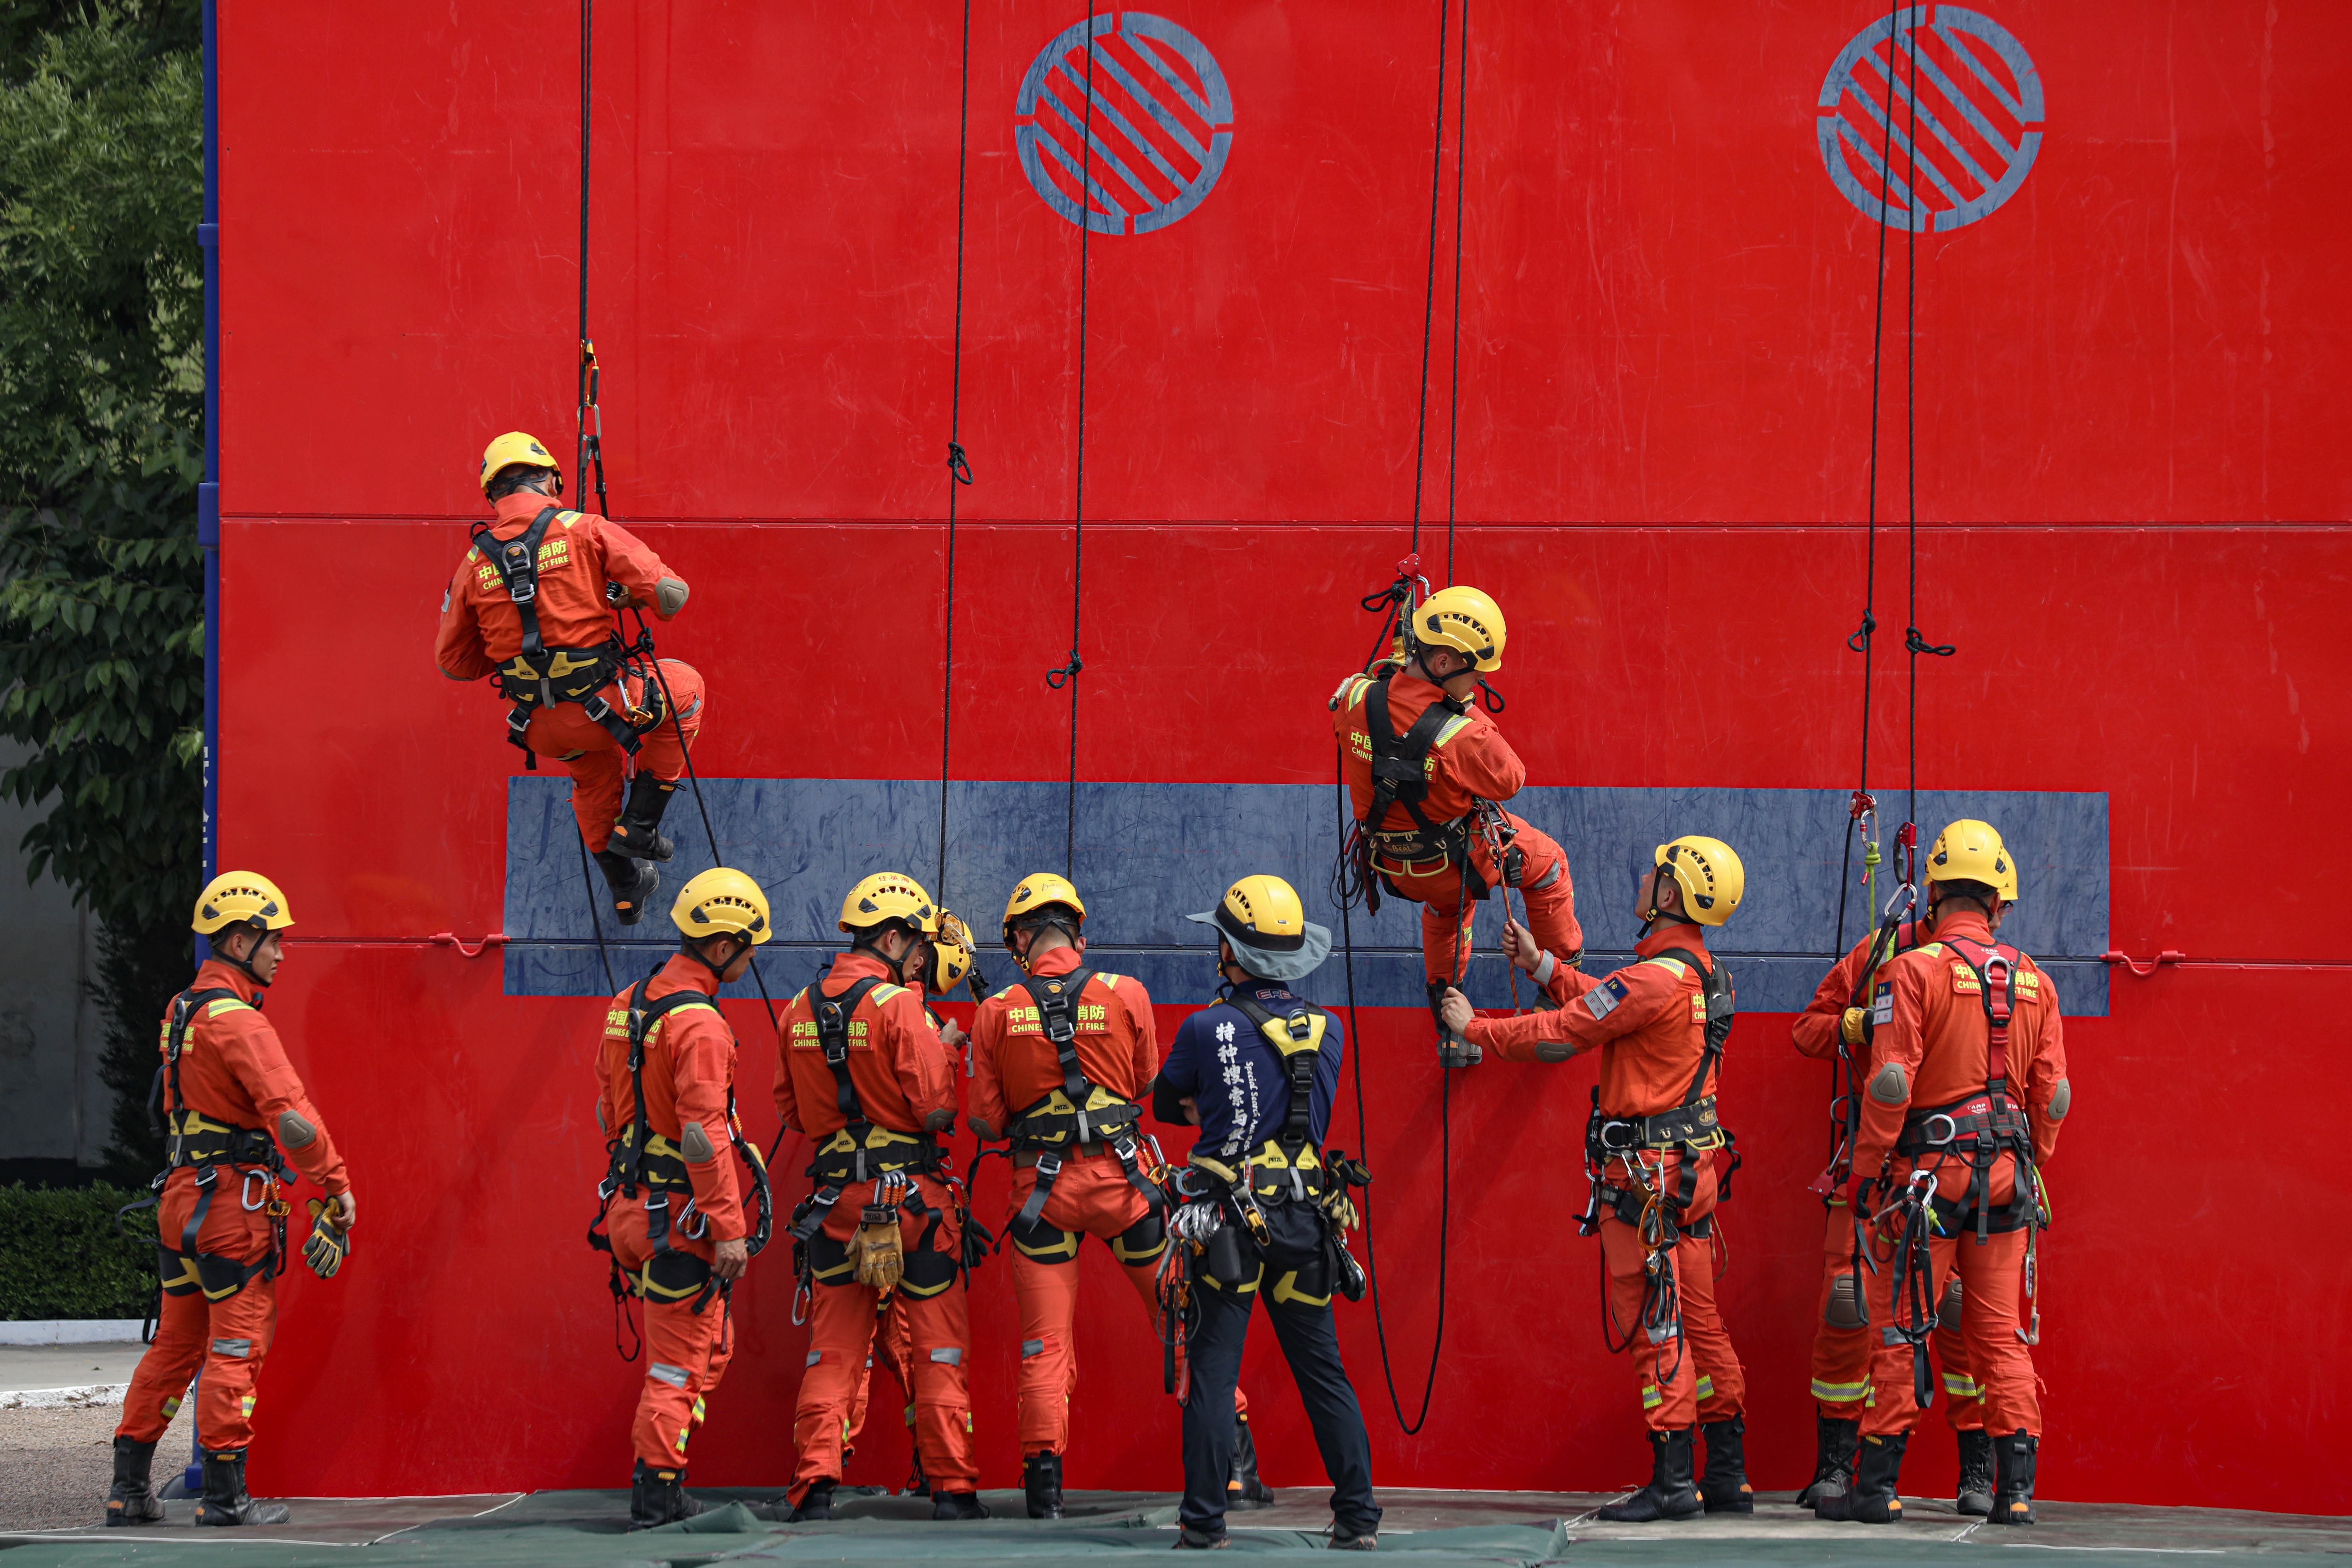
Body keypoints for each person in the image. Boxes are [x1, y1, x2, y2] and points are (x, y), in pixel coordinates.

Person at [1443, 837, 1752, 1521]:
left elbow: (1566, 1033)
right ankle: (1727, 1474)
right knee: (1699, 1319)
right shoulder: (1702, 976)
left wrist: (1477, 1032)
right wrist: (1544, 963)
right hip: (1690, 1174)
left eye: (1654, 875)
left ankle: (1673, 1480)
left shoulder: (1655, 981)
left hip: (1644, 1181)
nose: (1644, 879)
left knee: (1652, 1319)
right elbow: (1609, 1003)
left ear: (1669, 896)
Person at [967, 875, 1269, 1520]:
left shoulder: (994, 1011)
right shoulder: (1125, 994)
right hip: (1127, 1192)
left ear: (1020, 940)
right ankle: (1236, 1471)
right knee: (1182, 1324)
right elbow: (1144, 1085)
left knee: (1045, 1346)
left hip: (1039, 1202)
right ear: (1078, 932)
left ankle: (1043, 1493)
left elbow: (988, 1123)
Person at [1817, 820, 2069, 1527]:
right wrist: (2032, 1162)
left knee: (1899, 1327)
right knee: (1999, 1334)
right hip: (2007, 1179)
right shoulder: (2036, 980)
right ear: (2000, 903)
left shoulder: (1913, 968)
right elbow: (2053, 1096)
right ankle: (2015, 1492)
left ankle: (1877, 1489)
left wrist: (1869, 1170)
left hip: (1928, 1178)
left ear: (1932, 891)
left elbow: (1892, 1081)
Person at [109, 873, 355, 1529]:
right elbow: (292, 1119)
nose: (282, 952)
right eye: (274, 940)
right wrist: (335, 1186)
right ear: (242, 940)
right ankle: (225, 1498)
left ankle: (127, 1489)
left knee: (174, 1348)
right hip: (230, 1211)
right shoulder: (240, 1021)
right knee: (237, 1348)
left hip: (181, 1200)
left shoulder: (181, 1010)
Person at [1787, 841, 2018, 1516]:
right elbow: (1807, 1030)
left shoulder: (2000, 974)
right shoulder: (1880, 953)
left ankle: (1977, 1469)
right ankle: (1838, 1463)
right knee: (1847, 1310)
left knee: (1959, 1317)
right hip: (1875, 1168)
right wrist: (1859, 1024)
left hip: (1951, 1173)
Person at [1154, 876, 1380, 1551]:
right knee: (1323, 1371)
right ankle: (1359, 1520)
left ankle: (1203, 1525)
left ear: (1233, 951)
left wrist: (1212, 1112)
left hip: (1231, 1221)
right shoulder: (1330, 1031)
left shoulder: (1205, 1028)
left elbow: (1169, 1105)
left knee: (1216, 1372)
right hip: (1307, 1220)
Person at [774, 874, 983, 1522]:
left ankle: (814, 1483)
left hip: (835, 1207)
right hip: (914, 1205)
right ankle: (951, 1488)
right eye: (915, 943)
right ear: (893, 937)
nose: (919, 956)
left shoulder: (798, 1010)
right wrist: (945, 1051)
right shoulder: (899, 1007)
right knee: (938, 1346)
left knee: (833, 1350)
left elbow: (792, 1112)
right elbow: (937, 1110)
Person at [434, 431, 701, 924]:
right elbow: (672, 597)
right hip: (608, 706)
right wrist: (624, 597)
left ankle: (625, 888)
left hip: (540, 727)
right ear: (552, 479)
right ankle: (641, 827)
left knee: (592, 777)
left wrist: (513, 645)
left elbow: (454, 664)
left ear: (492, 494)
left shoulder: (472, 564)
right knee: (685, 687)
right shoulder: (585, 528)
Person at [589, 867, 774, 1529]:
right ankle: (657, 1492)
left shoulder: (626, 1005)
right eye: (750, 949)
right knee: (677, 1367)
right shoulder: (700, 1025)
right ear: (723, 947)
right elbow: (702, 1136)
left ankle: (660, 1473)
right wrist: (728, 1226)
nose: (752, 961)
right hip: (683, 1221)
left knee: (707, 1351)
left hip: (636, 1211)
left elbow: (610, 1108)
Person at [1330, 585, 1583, 1066]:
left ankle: (1450, 1022)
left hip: (1394, 864)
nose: (1478, 684)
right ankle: (1560, 981)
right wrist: (1461, 710)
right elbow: (1511, 780)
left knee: (1449, 912)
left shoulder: (1353, 699)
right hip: (1458, 860)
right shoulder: (1465, 734)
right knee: (1548, 864)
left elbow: (1378, 685)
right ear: (1445, 663)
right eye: (1475, 674)